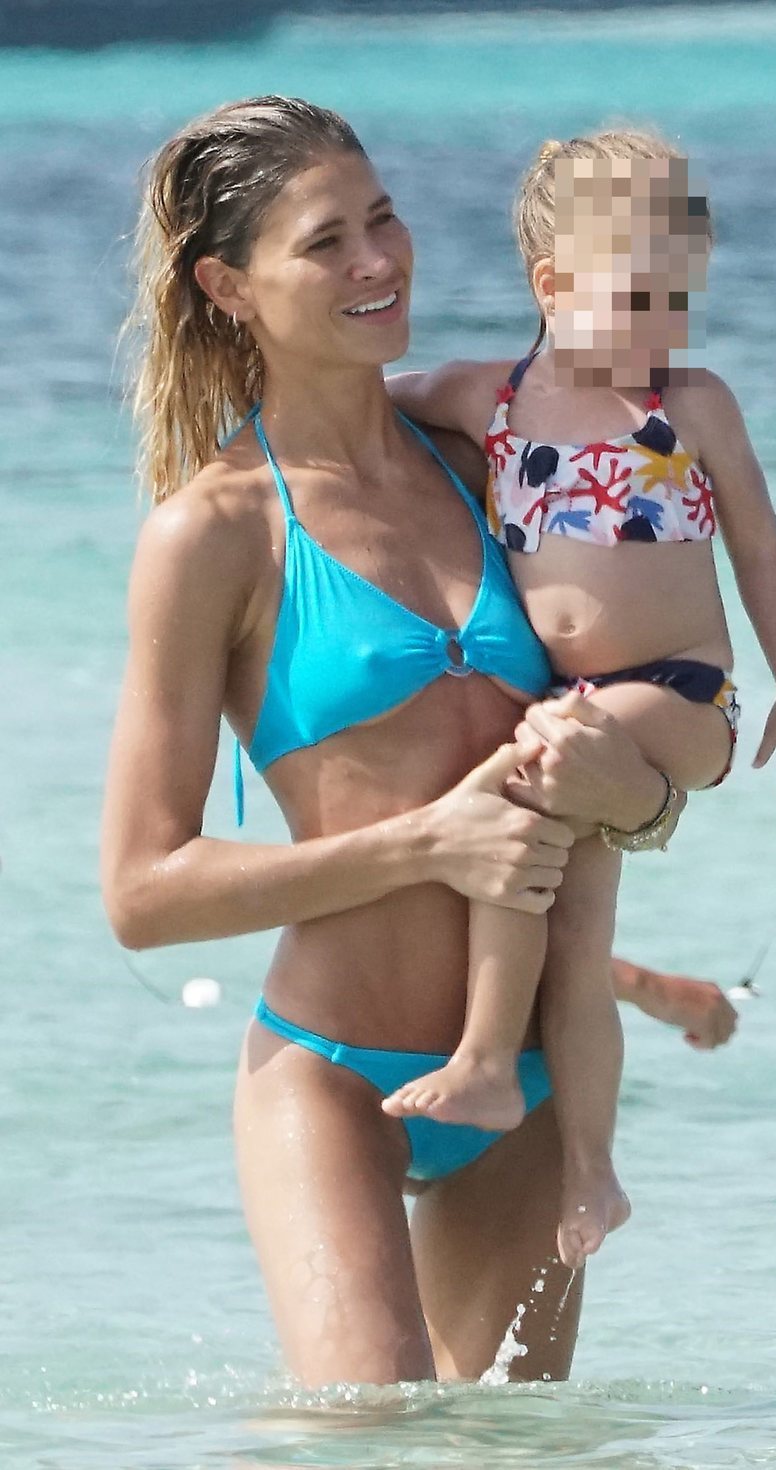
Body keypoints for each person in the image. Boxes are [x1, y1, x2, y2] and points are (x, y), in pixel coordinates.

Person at [101, 96, 734, 1389]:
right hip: (330, 1070)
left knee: (507, 1442)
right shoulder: (216, 532)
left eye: (382, 217)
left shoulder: (487, 449)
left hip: (523, 1072)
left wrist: (648, 790)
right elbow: (141, 891)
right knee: (366, 1431)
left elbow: (693, 706)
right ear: (228, 284)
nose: (379, 260)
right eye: (326, 241)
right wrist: (425, 840)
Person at [386, 127, 776, 1269]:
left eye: (681, 301)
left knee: (522, 788)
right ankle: (591, 1176)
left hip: (681, 696)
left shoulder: (689, 405)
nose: (664, 331)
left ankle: (486, 1063)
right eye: (639, 301)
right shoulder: (490, 397)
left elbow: (764, 552)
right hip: (575, 698)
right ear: (551, 286)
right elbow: (354, 402)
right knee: (574, 943)